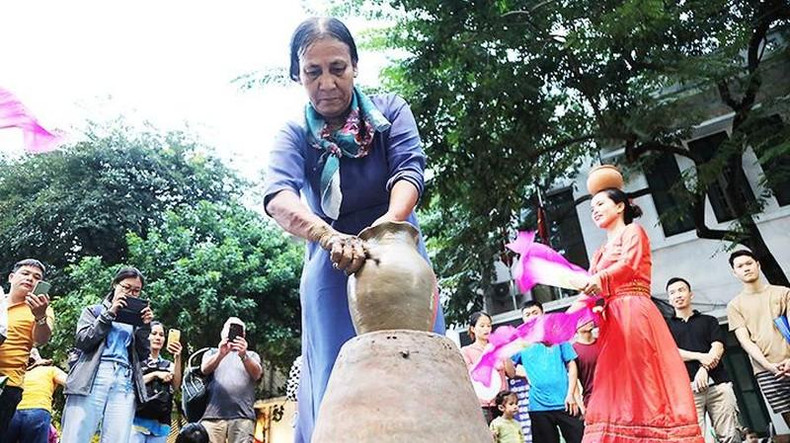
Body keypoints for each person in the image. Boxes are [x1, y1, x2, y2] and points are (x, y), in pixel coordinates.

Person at [262, 16, 446, 442]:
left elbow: (409, 172)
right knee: (337, 378)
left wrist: (387, 227)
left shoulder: (390, 112)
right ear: (298, 75)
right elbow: (278, 197)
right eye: (313, 71)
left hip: (398, 257)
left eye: (337, 68)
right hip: (332, 270)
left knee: (419, 370)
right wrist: (329, 237)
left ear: (355, 66)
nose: (326, 82)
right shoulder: (294, 135)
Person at [570, 166, 702, 442]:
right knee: (616, 384)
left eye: (600, 204)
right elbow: (588, 292)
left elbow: (628, 266)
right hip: (612, 320)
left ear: (620, 206)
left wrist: (599, 280)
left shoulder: (633, 232)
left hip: (634, 311)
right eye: (591, 206)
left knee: (643, 376)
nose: (594, 210)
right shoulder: (599, 252)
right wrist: (560, 322)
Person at [60, 267, 154, 443]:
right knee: (76, 434)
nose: (131, 294)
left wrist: (144, 327)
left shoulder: (137, 321)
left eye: (136, 290)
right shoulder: (93, 310)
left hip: (124, 380)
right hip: (94, 376)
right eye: (126, 287)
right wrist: (109, 313)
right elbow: (83, 340)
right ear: (115, 285)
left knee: (117, 437)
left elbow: (143, 355)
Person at [666, 277, 741, 443]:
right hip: (687, 390)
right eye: (672, 293)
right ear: (669, 299)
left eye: (681, 290)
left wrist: (704, 369)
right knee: (695, 439)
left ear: (691, 294)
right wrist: (701, 356)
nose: (677, 295)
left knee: (730, 436)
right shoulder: (666, 327)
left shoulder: (709, 321)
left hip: (719, 386)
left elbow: (718, 348)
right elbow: (671, 353)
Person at [726, 250, 790, 427]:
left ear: (758, 265)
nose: (746, 268)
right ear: (734, 272)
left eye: (749, 263)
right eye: (740, 266)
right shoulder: (734, 305)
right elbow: (744, 340)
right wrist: (768, 366)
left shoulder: (783, 293)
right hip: (766, 370)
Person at [510, 301, 584, 443]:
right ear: (523, 319)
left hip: (565, 402)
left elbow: (572, 364)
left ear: (543, 314)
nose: (531, 317)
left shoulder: (557, 335)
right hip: (538, 407)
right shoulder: (521, 343)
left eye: (535, 312)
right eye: (527, 314)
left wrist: (571, 395)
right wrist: (525, 372)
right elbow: (511, 370)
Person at [0, 259, 54, 438]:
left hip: (7, 384)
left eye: (36, 277)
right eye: (25, 273)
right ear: (11, 277)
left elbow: (41, 339)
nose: (30, 279)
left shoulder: (42, 309)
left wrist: (39, 317)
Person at [200, 317, 262, 443]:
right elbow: (204, 369)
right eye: (229, 329)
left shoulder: (252, 355)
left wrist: (244, 355)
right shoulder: (212, 352)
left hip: (243, 416)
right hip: (213, 416)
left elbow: (257, 374)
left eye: (238, 331)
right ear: (223, 332)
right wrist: (221, 354)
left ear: (243, 335)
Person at [132, 321, 183, 443]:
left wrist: (177, 357)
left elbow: (176, 385)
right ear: (147, 336)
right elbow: (133, 384)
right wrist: (155, 375)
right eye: (154, 333)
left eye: (161, 335)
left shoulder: (168, 365)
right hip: (137, 420)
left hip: (161, 423)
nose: (158, 337)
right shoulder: (138, 361)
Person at [461, 311, 515, 423]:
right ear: (472, 329)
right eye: (482, 326)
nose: (486, 329)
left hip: (502, 403)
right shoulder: (466, 351)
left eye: (489, 325)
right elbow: (470, 375)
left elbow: (511, 373)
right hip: (482, 405)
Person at [6, 348, 66, 443]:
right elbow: (69, 382)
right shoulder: (51, 370)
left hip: (13, 413)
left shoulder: (20, 374)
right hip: (37, 411)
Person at [572, 321, 599, 411]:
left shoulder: (604, 341)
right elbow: (573, 379)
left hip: (616, 397)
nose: (587, 320)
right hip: (592, 401)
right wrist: (580, 405)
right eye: (582, 318)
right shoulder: (573, 350)